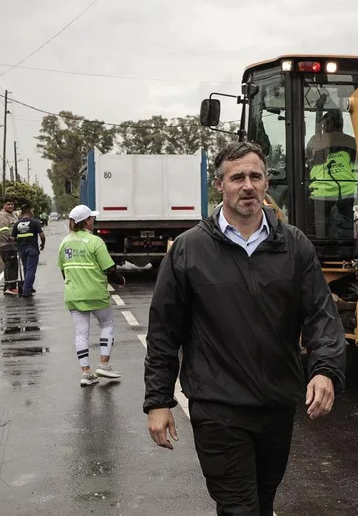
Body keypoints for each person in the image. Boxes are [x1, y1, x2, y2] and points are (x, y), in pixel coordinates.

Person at [143, 141, 346, 515]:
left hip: (276, 406)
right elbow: (163, 333)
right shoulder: (189, 250)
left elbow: (320, 314)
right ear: (220, 185)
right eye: (238, 177)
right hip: (218, 408)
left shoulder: (293, 245)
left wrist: (324, 370)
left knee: (262, 502)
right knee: (239, 507)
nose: (247, 185)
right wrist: (158, 400)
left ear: (267, 182)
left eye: (255, 176)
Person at [57, 204, 126, 386]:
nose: (93, 221)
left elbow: (64, 271)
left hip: (74, 295)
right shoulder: (95, 242)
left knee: (81, 333)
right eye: (92, 218)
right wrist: (119, 280)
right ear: (86, 221)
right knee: (106, 323)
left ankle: (86, 372)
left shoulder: (64, 243)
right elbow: (109, 269)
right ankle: (104, 364)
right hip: (96, 294)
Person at [305, 109, 358, 240]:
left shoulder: (315, 141)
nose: (323, 129)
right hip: (349, 193)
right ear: (341, 124)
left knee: (315, 232)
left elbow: (307, 161)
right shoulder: (352, 142)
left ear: (329, 124)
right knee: (348, 232)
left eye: (324, 125)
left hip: (320, 194)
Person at [10, 204, 45, 298]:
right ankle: (26, 290)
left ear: (22, 213)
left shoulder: (17, 224)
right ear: (30, 212)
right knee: (31, 270)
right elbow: (42, 235)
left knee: (26, 268)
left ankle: (29, 287)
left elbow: (12, 238)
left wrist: (18, 243)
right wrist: (43, 244)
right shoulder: (35, 222)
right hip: (32, 249)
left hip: (22, 250)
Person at [0, 197, 19, 295]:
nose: (10, 206)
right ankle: (11, 287)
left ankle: (8, 287)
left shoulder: (12, 214)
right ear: (4, 205)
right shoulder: (2, 216)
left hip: (12, 244)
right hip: (6, 244)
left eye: (12, 204)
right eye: (8, 204)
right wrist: (13, 237)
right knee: (11, 265)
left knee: (12, 264)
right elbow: (4, 230)